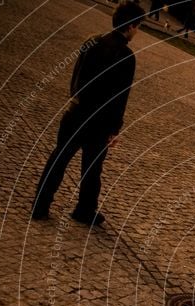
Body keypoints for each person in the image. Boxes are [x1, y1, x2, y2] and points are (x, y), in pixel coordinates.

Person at [31, 1, 145, 226]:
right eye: (138, 26)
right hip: (98, 122)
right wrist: (114, 129)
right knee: (92, 168)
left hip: (76, 111)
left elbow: (76, 77)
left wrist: (76, 98)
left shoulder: (92, 41)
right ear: (131, 26)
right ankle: (84, 210)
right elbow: (119, 98)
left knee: (58, 159)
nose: (137, 31)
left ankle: (40, 205)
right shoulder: (126, 57)